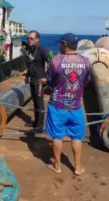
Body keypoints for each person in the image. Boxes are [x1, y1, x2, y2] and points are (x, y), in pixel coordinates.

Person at [38, 33, 91, 176]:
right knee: (77, 137)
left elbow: (50, 81)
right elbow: (86, 81)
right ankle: (78, 167)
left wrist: (45, 82)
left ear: (65, 44)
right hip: (76, 105)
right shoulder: (86, 61)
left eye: (61, 44)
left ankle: (57, 165)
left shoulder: (57, 61)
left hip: (58, 105)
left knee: (57, 136)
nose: (59, 46)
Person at [25, 30, 50, 129]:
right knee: (35, 102)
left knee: (39, 103)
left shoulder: (41, 50)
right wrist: (27, 76)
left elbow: (50, 62)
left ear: (37, 40)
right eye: (28, 38)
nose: (29, 40)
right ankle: (36, 122)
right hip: (32, 79)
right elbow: (30, 64)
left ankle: (40, 125)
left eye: (32, 38)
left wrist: (46, 77)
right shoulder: (30, 49)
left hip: (39, 81)